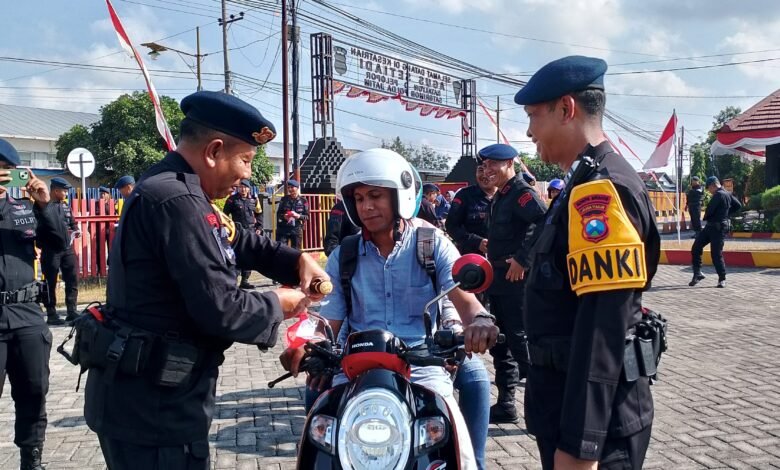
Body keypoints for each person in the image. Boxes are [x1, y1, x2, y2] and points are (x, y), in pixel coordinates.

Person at [83, 90, 328, 470]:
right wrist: (278, 302)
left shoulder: (174, 188)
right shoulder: (178, 200)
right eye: (246, 159)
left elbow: (236, 239)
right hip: (155, 411)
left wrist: (297, 261)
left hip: (149, 400)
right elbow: (222, 307)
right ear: (214, 151)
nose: (248, 174)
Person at [281, 148, 499, 470]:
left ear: (400, 196)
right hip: (356, 365)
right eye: (358, 198)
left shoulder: (432, 243)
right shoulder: (345, 254)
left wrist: (479, 320)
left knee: (460, 435)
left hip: (423, 365)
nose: (366, 206)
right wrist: (306, 343)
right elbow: (328, 321)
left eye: (375, 196)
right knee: (318, 409)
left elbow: (461, 297)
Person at [516, 55, 660, 469]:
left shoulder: (601, 190)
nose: (529, 131)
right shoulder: (581, 181)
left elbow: (603, 326)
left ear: (566, 108)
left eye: (533, 116)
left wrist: (582, 446)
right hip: (568, 406)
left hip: (597, 426)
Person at [1, 138, 61, 470]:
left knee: (34, 390)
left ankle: (32, 459)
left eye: (6, 169)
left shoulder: (25, 209)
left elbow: (58, 243)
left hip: (26, 314)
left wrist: (44, 205)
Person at [479, 143, 547, 424]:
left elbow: (544, 222)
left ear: (509, 164)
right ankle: (507, 404)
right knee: (501, 343)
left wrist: (523, 259)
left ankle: (543, 407)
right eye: (485, 165)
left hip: (515, 280)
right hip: (498, 280)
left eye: (493, 164)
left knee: (520, 342)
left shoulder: (521, 193)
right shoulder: (501, 196)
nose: (488, 170)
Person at [37, 177, 80, 325]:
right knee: (50, 282)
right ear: (56, 191)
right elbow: (39, 227)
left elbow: (72, 222)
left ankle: (72, 311)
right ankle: (51, 313)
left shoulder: (65, 206)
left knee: (72, 278)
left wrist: (76, 230)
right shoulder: (43, 206)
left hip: (67, 249)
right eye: (64, 191)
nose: (66, 194)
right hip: (51, 250)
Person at [689, 176, 742, 288]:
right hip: (712, 227)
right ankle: (698, 274)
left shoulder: (718, 195)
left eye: (709, 188)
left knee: (715, 254)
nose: (709, 191)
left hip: (717, 228)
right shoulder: (727, 194)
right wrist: (726, 213)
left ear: (713, 185)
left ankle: (722, 278)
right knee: (697, 247)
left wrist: (720, 214)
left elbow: (709, 211)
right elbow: (738, 205)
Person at [445, 165, 496, 256]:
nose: (484, 174)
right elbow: (451, 226)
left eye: (490, 170)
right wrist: (476, 242)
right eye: (480, 170)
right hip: (472, 258)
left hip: (504, 259)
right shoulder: (464, 195)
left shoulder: (508, 196)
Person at [223, 178, 264, 288]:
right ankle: (234, 281)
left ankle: (245, 281)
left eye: (245, 187)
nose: (243, 189)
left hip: (250, 231)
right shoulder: (232, 200)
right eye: (241, 187)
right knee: (235, 255)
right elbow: (225, 215)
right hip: (237, 231)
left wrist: (259, 227)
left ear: (249, 188)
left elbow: (259, 214)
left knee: (248, 255)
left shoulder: (254, 200)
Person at [275, 179, 308, 249]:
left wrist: (298, 216)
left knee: (295, 251)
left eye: (292, 187)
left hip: (296, 229)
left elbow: (307, 216)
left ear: (297, 188)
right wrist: (284, 216)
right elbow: (278, 214)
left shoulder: (304, 201)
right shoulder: (284, 199)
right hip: (283, 229)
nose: (290, 189)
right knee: (281, 249)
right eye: (288, 187)